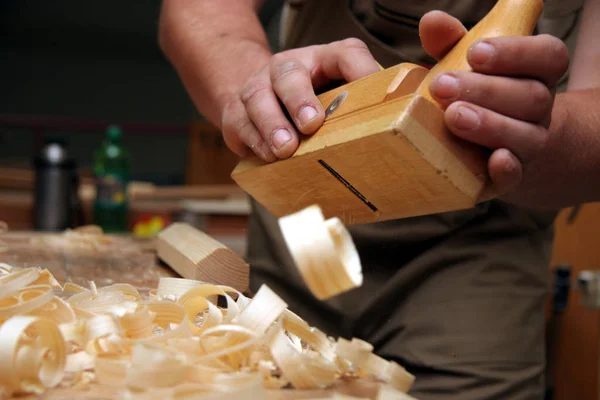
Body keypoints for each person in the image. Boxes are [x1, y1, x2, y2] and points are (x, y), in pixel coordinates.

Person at [158, 0, 600, 398]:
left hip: (478, 240)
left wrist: (532, 134)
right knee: (282, 374)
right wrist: (259, 103)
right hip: (309, 215)